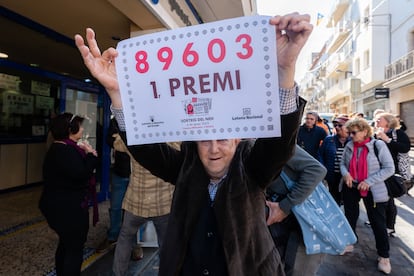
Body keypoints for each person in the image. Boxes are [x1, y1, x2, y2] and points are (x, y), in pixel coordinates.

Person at [75, 13, 312, 275]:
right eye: (204, 139)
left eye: (222, 137)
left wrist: (284, 70)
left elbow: (279, 147)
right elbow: (145, 149)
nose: (213, 149)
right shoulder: (185, 168)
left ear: (237, 137)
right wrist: (118, 95)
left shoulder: (253, 170)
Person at [39, 113, 98, 276]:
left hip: (60, 206)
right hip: (68, 210)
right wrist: (91, 156)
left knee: (66, 244)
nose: (83, 128)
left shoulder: (61, 147)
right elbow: (81, 173)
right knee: (74, 249)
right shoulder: (65, 151)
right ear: (70, 129)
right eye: (80, 125)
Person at [112, 136, 178, 276]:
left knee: (125, 238)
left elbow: (117, 144)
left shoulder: (135, 139)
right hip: (163, 202)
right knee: (166, 245)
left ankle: (118, 273)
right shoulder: (170, 139)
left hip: (136, 201)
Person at [340, 118, 394, 274]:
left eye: (354, 132)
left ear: (364, 131)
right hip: (352, 186)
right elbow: (343, 164)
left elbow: (389, 168)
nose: (350, 135)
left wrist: (369, 181)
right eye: (349, 132)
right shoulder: (350, 145)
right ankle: (350, 242)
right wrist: (346, 174)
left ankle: (384, 256)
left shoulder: (378, 145)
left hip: (374, 189)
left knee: (378, 222)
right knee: (350, 216)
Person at [266, 145, 326, 276]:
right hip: (285, 224)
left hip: (305, 222)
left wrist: (285, 206)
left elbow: (316, 170)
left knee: (298, 269)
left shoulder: (268, 141)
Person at [97, 117, 132, 252]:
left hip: (139, 174)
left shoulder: (142, 116)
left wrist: (121, 139)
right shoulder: (116, 119)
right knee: (116, 207)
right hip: (120, 171)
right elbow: (110, 140)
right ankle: (112, 236)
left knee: (135, 211)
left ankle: (134, 244)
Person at [375, 113, 411, 237]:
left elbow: (405, 148)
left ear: (388, 122)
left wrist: (387, 140)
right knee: (380, 198)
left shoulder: (397, 133)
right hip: (378, 170)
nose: (377, 120)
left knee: (389, 199)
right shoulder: (376, 133)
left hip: (392, 171)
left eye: (380, 119)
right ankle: (380, 222)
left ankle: (390, 226)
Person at [319, 116, 351, 204]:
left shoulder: (353, 140)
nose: (337, 127)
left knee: (349, 201)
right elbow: (320, 155)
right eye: (335, 125)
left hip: (348, 177)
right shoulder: (329, 140)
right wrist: (324, 169)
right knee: (334, 199)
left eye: (340, 125)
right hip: (332, 175)